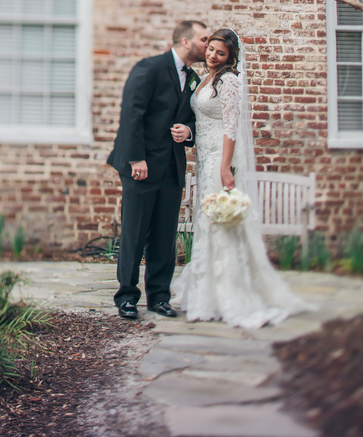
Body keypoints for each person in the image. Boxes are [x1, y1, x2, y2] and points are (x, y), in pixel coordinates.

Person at [171, 28, 311, 329]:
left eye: (220, 53)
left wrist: (224, 167)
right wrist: (190, 133)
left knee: (220, 222)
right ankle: (205, 290)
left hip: (221, 160)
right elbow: (202, 117)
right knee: (206, 221)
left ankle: (227, 293)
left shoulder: (230, 81)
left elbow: (231, 127)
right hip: (205, 155)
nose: (212, 56)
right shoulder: (206, 79)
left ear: (230, 58)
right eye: (210, 49)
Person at [107, 20, 209, 319]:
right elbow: (131, 114)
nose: (208, 44)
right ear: (186, 42)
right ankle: (126, 296)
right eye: (204, 39)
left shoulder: (194, 78)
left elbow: (193, 118)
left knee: (164, 236)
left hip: (172, 168)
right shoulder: (148, 68)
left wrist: (187, 132)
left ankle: (159, 297)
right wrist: (136, 159)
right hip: (142, 165)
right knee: (134, 233)